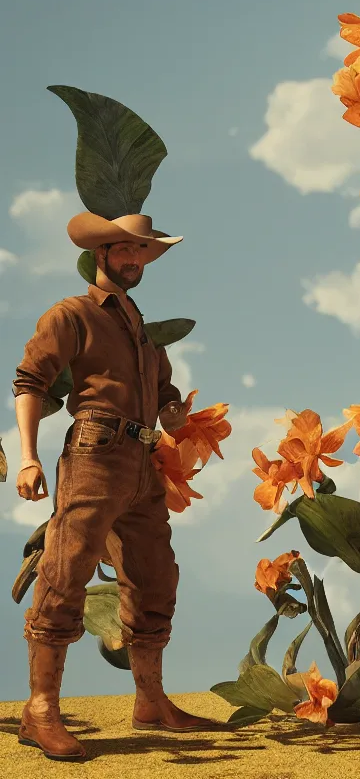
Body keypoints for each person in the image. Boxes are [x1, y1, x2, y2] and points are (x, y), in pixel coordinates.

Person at [13, 210, 222, 761]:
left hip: (142, 462)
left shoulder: (143, 330)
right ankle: (40, 710)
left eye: (141, 253)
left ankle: (151, 702)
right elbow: (29, 382)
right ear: (99, 254)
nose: (134, 261)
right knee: (65, 576)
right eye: (124, 251)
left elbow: (165, 393)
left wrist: (174, 412)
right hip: (93, 455)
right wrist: (29, 457)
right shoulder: (72, 315)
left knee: (155, 579)